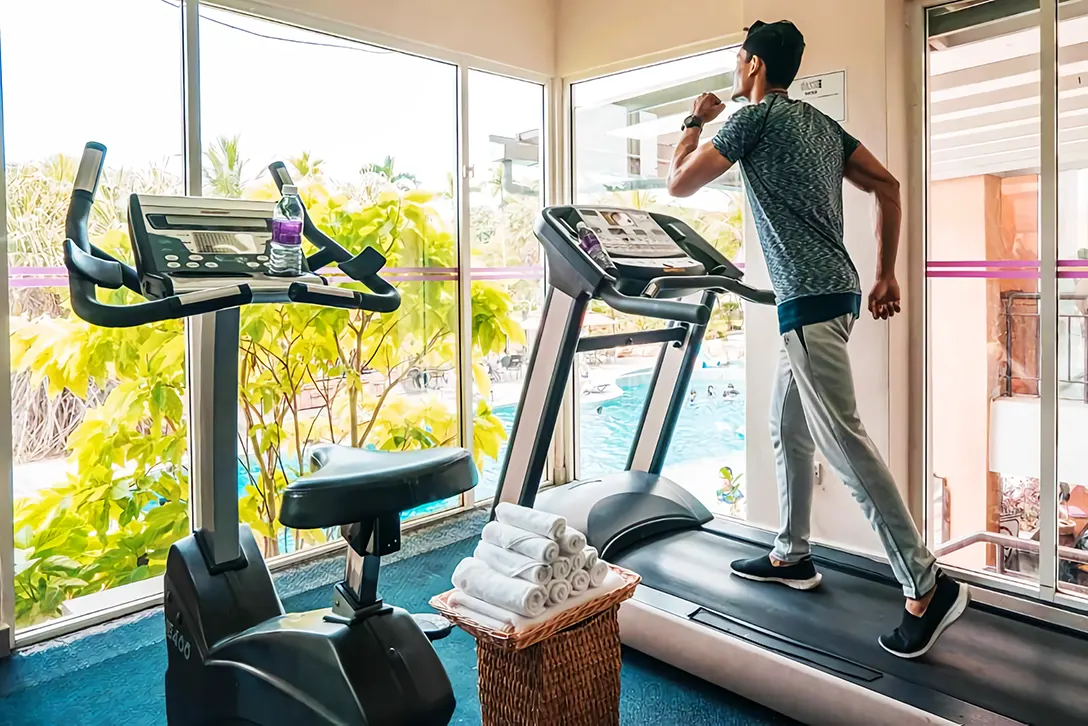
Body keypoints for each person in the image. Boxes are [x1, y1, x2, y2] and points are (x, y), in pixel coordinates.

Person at [665, 19, 967, 659]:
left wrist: (695, 117)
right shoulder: (821, 126)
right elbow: (887, 186)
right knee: (788, 425)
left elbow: (679, 182)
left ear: (752, 66)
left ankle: (925, 583)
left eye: (737, 58)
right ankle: (792, 554)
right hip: (837, 296)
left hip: (806, 303)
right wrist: (884, 273)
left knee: (844, 441)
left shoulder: (753, 119)